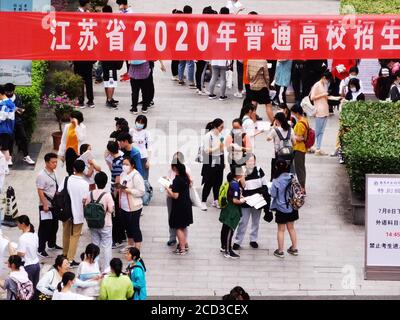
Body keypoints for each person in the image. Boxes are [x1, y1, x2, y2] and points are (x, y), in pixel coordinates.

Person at [233, 154, 269, 250]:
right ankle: (237, 241)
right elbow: (239, 187)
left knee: (255, 222)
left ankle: (253, 239)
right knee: (242, 222)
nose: (251, 163)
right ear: (245, 162)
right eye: (249, 161)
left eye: (253, 161)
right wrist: (242, 177)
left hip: (257, 201)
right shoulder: (240, 171)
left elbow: (265, 185)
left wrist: (262, 195)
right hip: (245, 201)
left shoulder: (259, 170)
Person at [58, 159, 89, 268]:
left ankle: (64, 254)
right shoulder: (85, 184)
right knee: (74, 236)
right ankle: (70, 260)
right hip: (78, 213)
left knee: (65, 233)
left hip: (66, 213)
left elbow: (59, 191)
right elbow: (86, 200)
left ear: (74, 168)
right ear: (84, 169)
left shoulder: (67, 179)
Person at [85, 172, 114, 272]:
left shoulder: (90, 193)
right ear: (106, 182)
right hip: (105, 224)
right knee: (106, 246)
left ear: (96, 182)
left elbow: (86, 207)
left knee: (95, 245)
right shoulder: (107, 195)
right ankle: (106, 268)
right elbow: (110, 209)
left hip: (92, 224)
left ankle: (95, 267)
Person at [270, 160, 299, 259]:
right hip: (292, 207)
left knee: (281, 230)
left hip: (281, 208)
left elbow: (273, 194)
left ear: (277, 167)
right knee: (291, 228)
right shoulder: (292, 176)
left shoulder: (276, 180)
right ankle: (294, 248)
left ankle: (280, 251)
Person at [36, 153, 62, 257]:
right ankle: (40, 248)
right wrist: (45, 204)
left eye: (56, 162)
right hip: (46, 206)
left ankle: (52, 244)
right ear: (47, 162)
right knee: (44, 228)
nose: (55, 164)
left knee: (54, 226)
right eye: (53, 162)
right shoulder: (41, 175)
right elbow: (40, 190)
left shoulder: (54, 173)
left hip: (55, 204)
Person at [165, 160, 193, 255]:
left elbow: (175, 195)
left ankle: (182, 248)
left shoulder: (177, 179)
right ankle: (185, 244)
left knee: (178, 228)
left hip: (179, 206)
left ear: (174, 168)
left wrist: (168, 189)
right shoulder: (185, 177)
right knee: (184, 226)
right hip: (186, 205)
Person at [118, 157, 145, 252]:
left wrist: (128, 190)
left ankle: (137, 250)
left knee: (135, 227)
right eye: (123, 164)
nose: (124, 166)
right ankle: (130, 245)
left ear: (132, 165)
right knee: (127, 227)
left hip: (134, 207)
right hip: (124, 206)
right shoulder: (122, 174)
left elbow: (141, 191)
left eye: (126, 164)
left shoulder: (136, 176)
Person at [4, 83, 35, 165]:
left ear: (13, 91)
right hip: (8, 122)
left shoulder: (17, 97)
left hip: (17, 121)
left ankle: (26, 156)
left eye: (10, 92)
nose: (9, 94)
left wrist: (16, 110)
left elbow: (20, 110)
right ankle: (9, 157)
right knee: (10, 139)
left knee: (23, 137)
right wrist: (15, 109)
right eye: (7, 92)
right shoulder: (3, 99)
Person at [220, 168, 246, 259]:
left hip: (227, 208)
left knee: (225, 228)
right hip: (232, 210)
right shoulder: (235, 185)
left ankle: (223, 246)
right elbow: (235, 200)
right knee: (230, 230)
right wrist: (243, 200)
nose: (243, 173)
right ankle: (228, 251)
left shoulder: (231, 182)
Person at [11, 215, 40, 292]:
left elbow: (22, 253)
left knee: (27, 290)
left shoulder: (23, 238)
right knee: (34, 288)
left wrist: (14, 251)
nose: (17, 225)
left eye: (18, 223)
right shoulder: (34, 234)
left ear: (23, 224)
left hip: (28, 266)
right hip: (37, 264)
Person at [201, 119, 225, 211]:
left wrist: (224, 161)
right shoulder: (208, 136)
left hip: (219, 158)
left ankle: (216, 200)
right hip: (211, 159)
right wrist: (217, 147)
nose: (222, 129)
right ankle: (203, 201)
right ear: (215, 126)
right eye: (221, 127)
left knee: (218, 182)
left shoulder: (220, 135)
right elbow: (207, 151)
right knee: (209, 182)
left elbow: (222, 149)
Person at [106, 141, 126, 248]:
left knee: (116, 216)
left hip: (117, 193)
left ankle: (117, 239)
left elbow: (117, 181)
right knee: (117, 216)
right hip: (119, 191)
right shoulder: (120, 159)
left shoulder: (117, 162)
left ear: (110, 151)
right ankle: (121, 236)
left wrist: (114, 195)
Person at [310, 70, 333, 156]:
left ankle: (318, 148)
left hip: (325, 109)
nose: (328, 81)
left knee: (321, 131)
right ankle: (312, 146)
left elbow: (325, 96)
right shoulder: (317, 85)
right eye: (327, 79)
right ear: (324, 78)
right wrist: (323, 95)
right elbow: (312, 97)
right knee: (318, 130)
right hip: (319, 110)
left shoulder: (324, 85)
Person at [267, 112, 296, 179]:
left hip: (277, 156)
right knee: (287, 173)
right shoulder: (290, 129)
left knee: (275, 175)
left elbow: (268, 138)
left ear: (277, 120)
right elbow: (294, 143)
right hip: (288, 156)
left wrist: (273, 127)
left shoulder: (275, 130)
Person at [58, 110, 87, 176]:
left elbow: (81, 138)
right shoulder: (67, 126)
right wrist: (61, 154)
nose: (70, 118)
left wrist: (76, 126)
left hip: (78, 152)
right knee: (69, 170)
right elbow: (63, 140)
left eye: (71, 117)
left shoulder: (82, 127)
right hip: (69, 152)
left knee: (78, 169)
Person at [291, 105, 309, 192]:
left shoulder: (300, 124)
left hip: (299, 148)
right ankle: (302, 186)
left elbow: (299, 138)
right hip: (301, 148)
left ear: (297, 113)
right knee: (301, 167)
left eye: (294, 113)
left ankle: (302, 187)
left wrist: (291, 135)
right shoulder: (304, 120)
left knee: (299, 168)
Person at [178, 6, 196, 88]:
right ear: (191, 12)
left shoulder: (179, 21)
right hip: (189, 45)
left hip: (180, 45)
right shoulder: (191, 21)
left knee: (181, 63)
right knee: (190, 63)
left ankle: (180, 79)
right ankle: (191, 81)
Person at [130, 115, 151, 181]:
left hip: (143, 157)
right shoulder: (131, 131)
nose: (139, 124)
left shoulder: (146, 133)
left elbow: (149, 147)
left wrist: (148, 161)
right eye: (138, 122)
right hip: (133, 156)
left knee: (144, 177)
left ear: (144, 124)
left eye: (142, 123)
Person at [0, 85, 16, 168]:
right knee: (4, 149)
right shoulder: (10, 103)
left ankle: (5, 168)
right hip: (8, 129)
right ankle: (5, 166)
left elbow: (2, 117)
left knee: (4, 149)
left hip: (2, 129)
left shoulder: (4, 104)